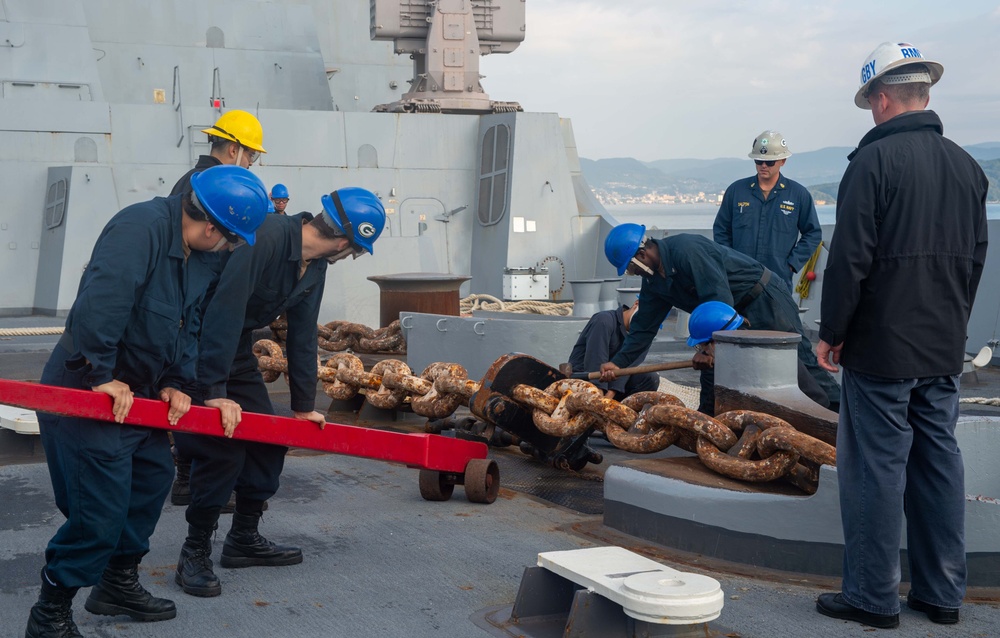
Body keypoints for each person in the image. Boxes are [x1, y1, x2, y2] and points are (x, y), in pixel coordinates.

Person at [24, 165, 268, 637]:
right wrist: (99, 373)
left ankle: (116, 582)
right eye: (230, 238)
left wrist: (179, 381)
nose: (229, 248)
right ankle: (49, 613)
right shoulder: (140, 228)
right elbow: (104, 299)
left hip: (140, 396)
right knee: (98, 512)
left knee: (151, 481)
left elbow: (190, 320)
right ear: (209, 226)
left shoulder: (202, 255)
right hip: (89, 389)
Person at [814, 42, 988, 629]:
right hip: (943, 344)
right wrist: (952, 327)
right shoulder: (968, 167)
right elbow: (975, 263)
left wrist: (832, 332)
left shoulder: (871, 164)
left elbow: (849, 261)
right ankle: (942, 595)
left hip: (882, 347)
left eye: (870, 102)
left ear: (882, 98)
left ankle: (871, 595)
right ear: (926, 95)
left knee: (876, 467)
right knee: (939, 459)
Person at [173, 187, 387, 598]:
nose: (349, 256)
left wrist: (304, 407)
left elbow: (303, 336)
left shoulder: (315, 267)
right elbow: (222, 311)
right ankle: (194, 551)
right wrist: (215, 391)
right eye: (356, 250)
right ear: (345, 242)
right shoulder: (266, 236)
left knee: (271, 438)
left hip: (232, 352)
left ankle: (243, 539)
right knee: (225, 445)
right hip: (195, 347)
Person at [598, 224, 839, 413]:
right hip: (725, 316)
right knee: (713, 366)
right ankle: (710, 420)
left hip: (763, 299)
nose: (631, 273)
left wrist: (708, 348)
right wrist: (619, 363)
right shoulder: (654, 282)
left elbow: (718, 299)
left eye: (630, 267)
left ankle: (839, 414)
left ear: (642, 254)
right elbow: (643, 329)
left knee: (796, 359)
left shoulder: (688, 251)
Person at [168, 109, 267, 508]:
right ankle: (193, 482)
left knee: (190, 391)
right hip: (199, 303)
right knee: (198, 393)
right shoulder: (216, 185)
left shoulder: (190, 182)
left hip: (188, 302)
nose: (253, 164)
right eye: (252, 156)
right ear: (233, 148)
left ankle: (187, 478)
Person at [713, 130, 822, 288]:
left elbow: (813, 233)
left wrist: (792, 264)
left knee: (777, 313)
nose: (763, 166)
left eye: (770, 162)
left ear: (782, 161)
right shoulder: (736, 191)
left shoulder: (798, 195)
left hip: (778, 279)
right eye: (759, 161)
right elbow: (721, 229)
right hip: (739, 278)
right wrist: (729, 261)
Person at [688, 300, 829, 410]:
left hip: (801, 415)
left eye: (702, 346)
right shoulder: (742, 348)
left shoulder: (750, 359)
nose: (702, 351)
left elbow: (710, 410)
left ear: (714, 341)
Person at [567, 300, 659, 400]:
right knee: (593, 387)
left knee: (650, 378)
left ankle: (623, 411)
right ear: (636, 304)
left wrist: (609, 396)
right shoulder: (604, 320)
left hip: (614, 383)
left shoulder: (643, 337)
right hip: (585, 379)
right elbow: (595, 359)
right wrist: (598, 397)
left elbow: (628, 368)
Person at [171, 110, 266, 196]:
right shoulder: (221, 187)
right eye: (251, 155)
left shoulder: (188, 180)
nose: (251, 163)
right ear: (233, 150)